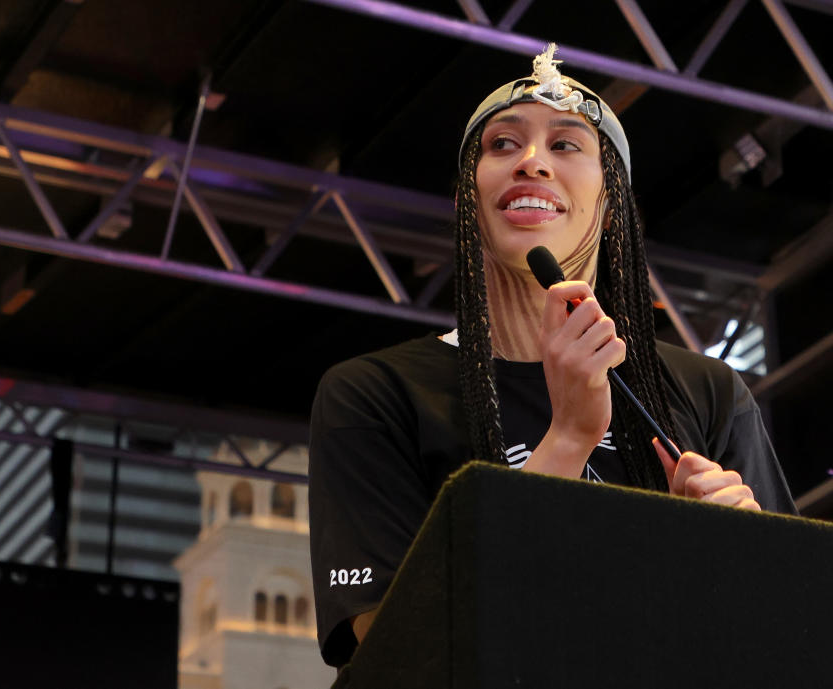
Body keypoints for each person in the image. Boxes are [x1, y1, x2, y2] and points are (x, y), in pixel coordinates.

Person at [308, 44, 795, 668]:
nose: (532, 162)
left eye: (565, 145)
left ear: (611, 203)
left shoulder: (710, 393)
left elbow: (797, 638)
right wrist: (567, 438)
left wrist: (743, 554)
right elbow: (397, 648)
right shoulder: (375, 392)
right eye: (503, 145)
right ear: (467, 200)